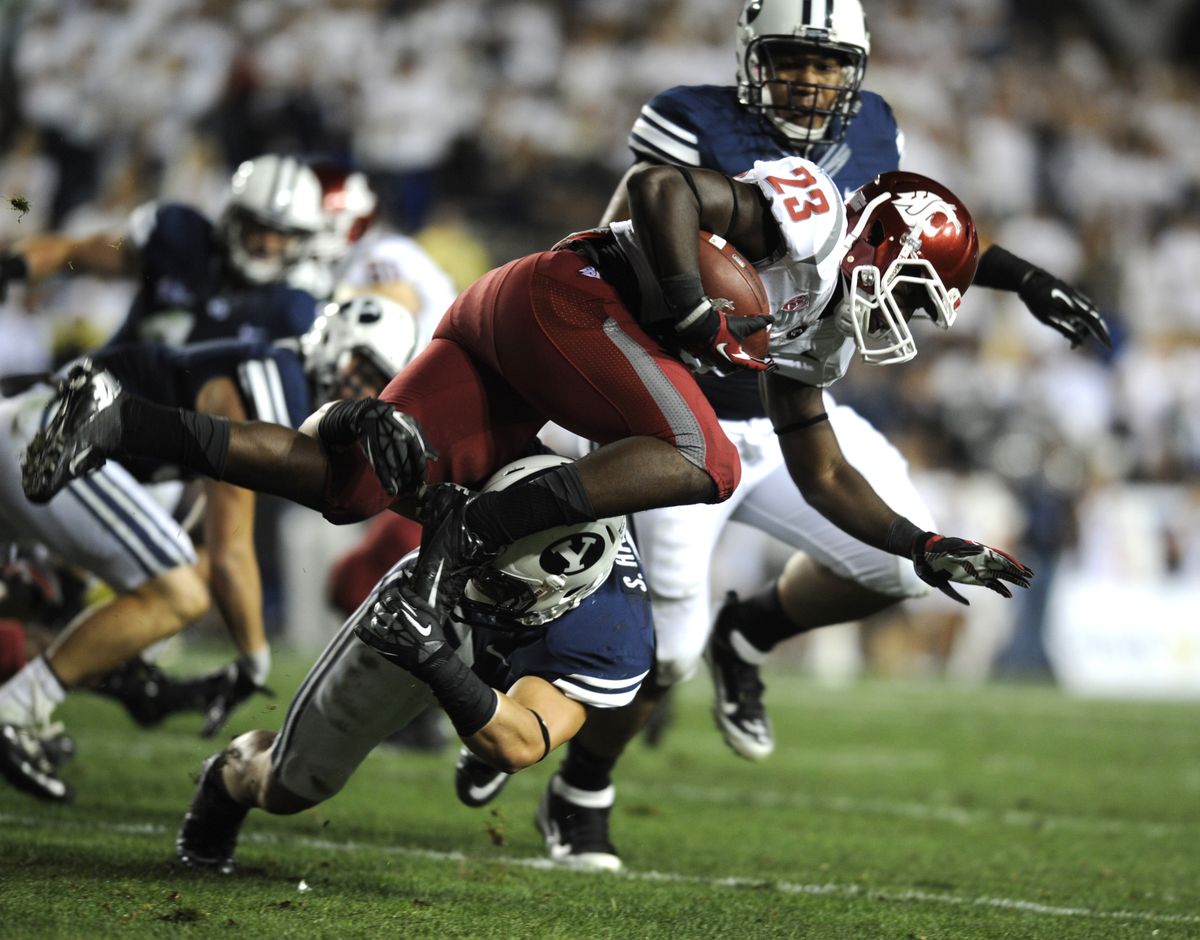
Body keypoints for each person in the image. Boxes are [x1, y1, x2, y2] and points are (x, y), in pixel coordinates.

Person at [23, 159, 1034, 768]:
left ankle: (121, 418)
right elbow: (662, 189)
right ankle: (469, 533)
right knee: (706, 458)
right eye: (905, 295)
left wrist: (921, 542)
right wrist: (684, 297)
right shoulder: (810, 217)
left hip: (533, 335)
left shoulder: (822, 333)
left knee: (351, 489)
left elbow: (821, 473)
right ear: (879, 245)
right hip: (569, 296)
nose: (898, 323)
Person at [585, 0, 1111, 767]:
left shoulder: (872, 129)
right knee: (667, 654)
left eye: (826, 62)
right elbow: (608, 245)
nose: (807, 78)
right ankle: (583, 790)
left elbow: (900, 227)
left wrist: (1021, 277)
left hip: (793, 400)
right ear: (752, 59)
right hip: (681, 414)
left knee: (902, 566)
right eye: (790, 58)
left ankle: (749, 634)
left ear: (853, 69)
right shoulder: (688, 118)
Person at [0, 295, 417, 802]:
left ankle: (39, 696)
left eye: (378, 382)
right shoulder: (274, 379)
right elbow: (229, 546)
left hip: (40, 428)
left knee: (123, 600)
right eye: (362, 365)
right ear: (333, 341)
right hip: (54, 430)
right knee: (176, 593)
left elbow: (205, 540)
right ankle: (18, 708)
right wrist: (254, 656)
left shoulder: (280, 378)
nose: (361, 386)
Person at [174, 453, 650, 874]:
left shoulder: (609, 629)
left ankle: (485, 719)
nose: (479, 588)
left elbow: (523, 744)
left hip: (498, 653)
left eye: (499, 585)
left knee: (505, 737)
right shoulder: (506, 459)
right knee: (294, 784)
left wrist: (434, 660)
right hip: (432, 598)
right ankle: (226, 782)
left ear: (564, 592)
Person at [0, 154, 325, 349]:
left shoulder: (296, 307)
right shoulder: (181, 238)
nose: (266, 244)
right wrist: (15, 265)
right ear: (232, 217)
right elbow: (76, 253)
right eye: (258, 226)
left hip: (194, 453)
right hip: (99, 396)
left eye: (282, 235)